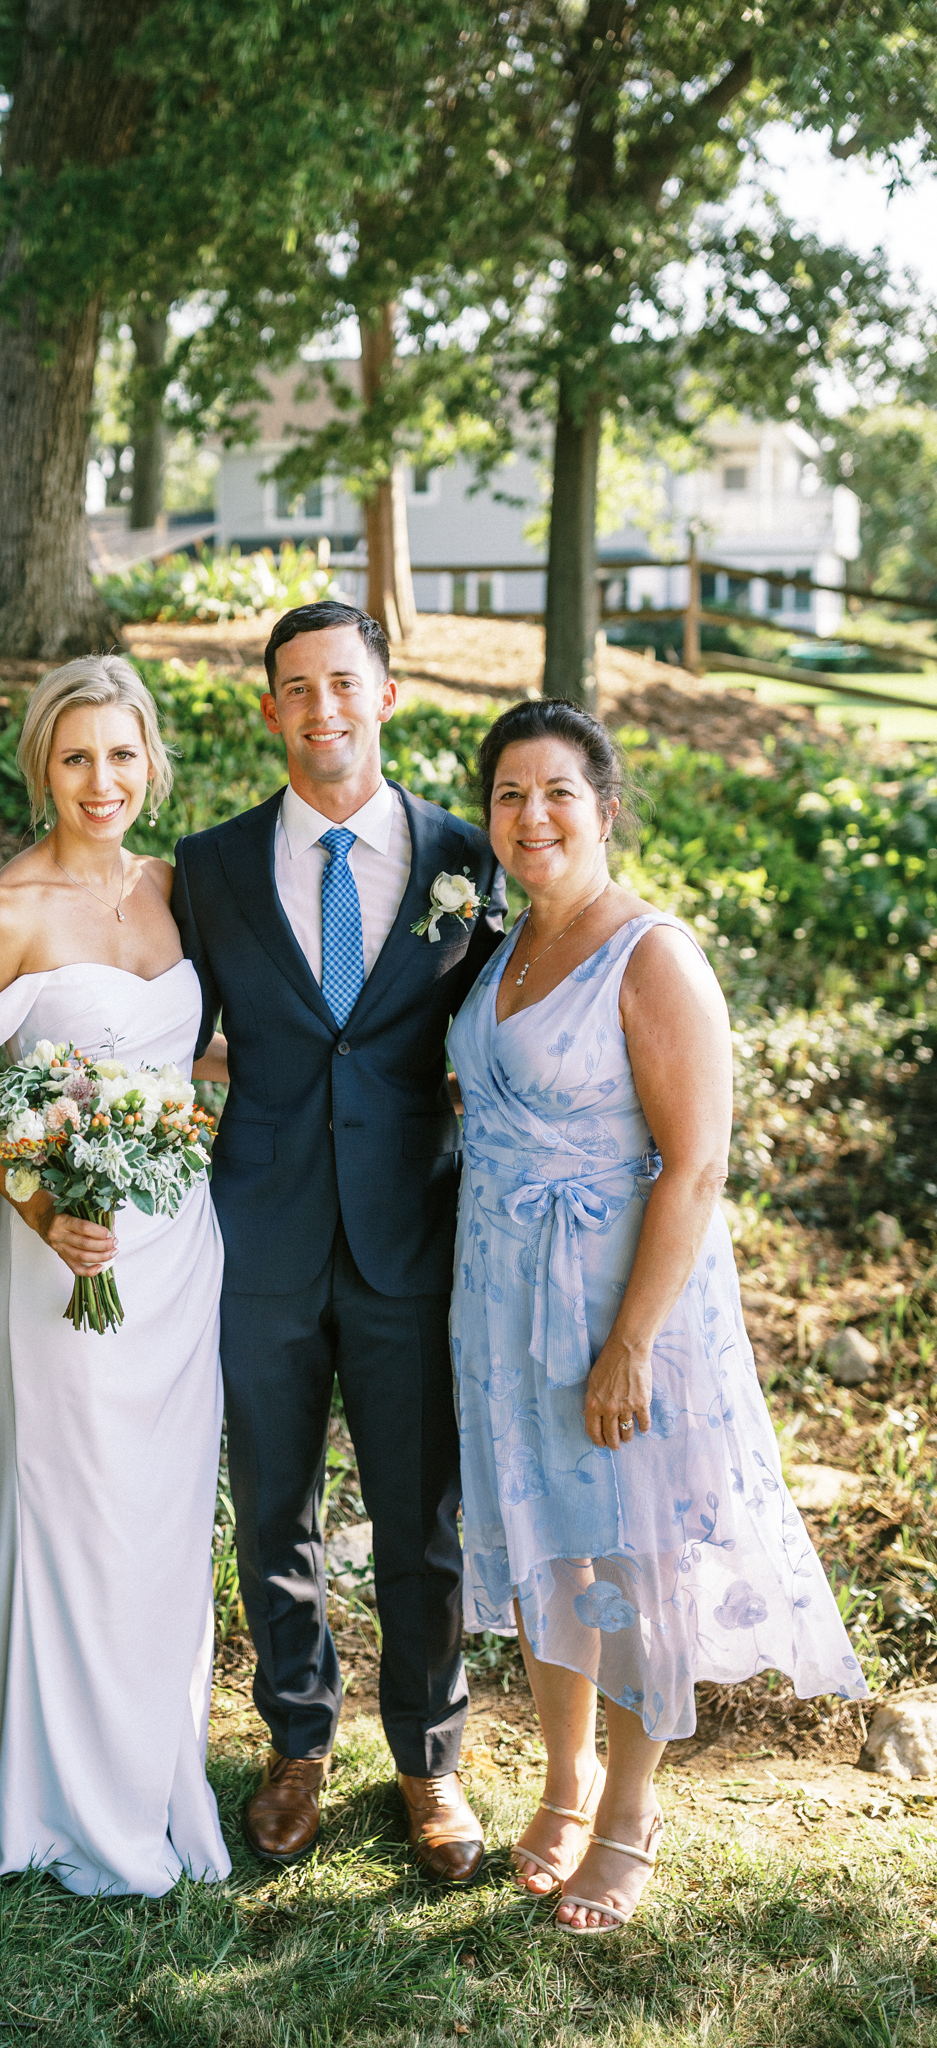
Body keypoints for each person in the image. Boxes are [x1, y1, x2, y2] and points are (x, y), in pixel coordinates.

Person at [448, 699, 868, 1932]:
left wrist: (629, 1339)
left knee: (630, 1551)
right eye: (510, 795)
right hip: (501, 1298)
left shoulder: (650, 954)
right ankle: (564, 1776)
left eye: (558, 792)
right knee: (545, 1546)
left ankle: (630, 1807)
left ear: (607, 810)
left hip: (616, 1307)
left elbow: (694, 1166)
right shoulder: (505, 943)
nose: (533, 816)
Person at [171, 599, 506, 1880]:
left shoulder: (465, 856)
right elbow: (161, 1012)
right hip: (256, 1230)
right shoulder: (207, 866)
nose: (323, 710)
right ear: (271, 709)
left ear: (387, 695)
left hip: (411, 1235)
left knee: (422, 1514)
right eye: (297, 689)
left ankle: (432, 1759)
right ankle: (297, 1739)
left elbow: (503, 1023)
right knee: (273, 1506)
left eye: (345, 684)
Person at [0, 654, 232, 1897]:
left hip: (176, 1246)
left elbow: (202, 1054)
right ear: (42, 763)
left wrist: (184, 1132)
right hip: (64, 1260)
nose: (104, 780)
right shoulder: (6, 910)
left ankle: (155, 1767)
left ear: (153, 758)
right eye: (78, 756)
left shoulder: (177, 890)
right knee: (76, 1508)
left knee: (162, 1513)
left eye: (124, 754)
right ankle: (52, 1790)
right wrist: (49, 1210)